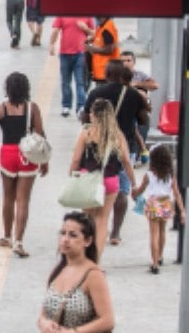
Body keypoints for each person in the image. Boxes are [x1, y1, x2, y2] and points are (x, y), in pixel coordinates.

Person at [0, 72, 47, 257]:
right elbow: (40, 134)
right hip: (28, 155)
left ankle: (6, 236)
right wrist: (44, 161)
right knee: (23, 200)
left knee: (8, 197)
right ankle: (19, 241)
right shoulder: (33, 108)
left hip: (7, 154)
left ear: (7, 88)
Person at [83, 60, 148, 248]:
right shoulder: (133, 95)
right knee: (121, 191)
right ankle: (116, 233)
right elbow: (144, 120)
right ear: (122, 75)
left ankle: (92, 229)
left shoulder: (96, 93)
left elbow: (85, 117)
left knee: (95, 188)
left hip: (97, 147)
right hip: (123, 144)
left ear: (106, 73)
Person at [70, 98, 137, 261]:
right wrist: (134, 183)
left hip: (88, 180)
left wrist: (71, 176)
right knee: (102, 221)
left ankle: (84, 257)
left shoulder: (86, 133)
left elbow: (76, 159)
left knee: (87, 220)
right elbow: (127, 161)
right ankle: (96, 262)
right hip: (110, 180)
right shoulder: (117, 135)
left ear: (94, 115)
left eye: (91, 113)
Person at [37, 212, 115, 333]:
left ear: (88, 241)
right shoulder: (57, 271)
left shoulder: (93, 275)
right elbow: (43, 313)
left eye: (73, 235)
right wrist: (44, 324)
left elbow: (108, 320)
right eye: (62, 233)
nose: (65, 239)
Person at [132, 145, 186, 273]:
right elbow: (177, 193)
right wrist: (182, 211)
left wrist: (135, 193)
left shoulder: (149, 174)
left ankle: (155, 263)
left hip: (153, 203)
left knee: (154, 234)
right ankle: (160, 256)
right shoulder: (170, 175)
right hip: (166, 203)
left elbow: (141, 190)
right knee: (162, 232)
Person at [49, 17, 94, 117]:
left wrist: (86, 29)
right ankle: (66, 106)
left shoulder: (87, 15)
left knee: (80, 82)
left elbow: (94, 34)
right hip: (64, 54)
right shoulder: (62, 14)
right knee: (65, 82)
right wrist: (52, 44)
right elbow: (55, 30)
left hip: (80, 53)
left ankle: (81, 106)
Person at [121, 50, 157, 164]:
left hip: (139, 109)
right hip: (123, 109)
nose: (126, 63)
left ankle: (137, 154)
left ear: (134, 62)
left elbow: (154, 85)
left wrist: (137, 84)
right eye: (123, 61)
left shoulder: (139, 75)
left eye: (128, 60)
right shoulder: (117, 76)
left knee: (142, 125)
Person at [87, 16, 120, 87]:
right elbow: (101, 41)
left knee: (103, 96)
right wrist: (92, 39)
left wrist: (90, 48)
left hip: (106, 72)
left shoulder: (107, 29)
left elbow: (109, 50)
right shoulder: (102, 27)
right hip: (101, 72)